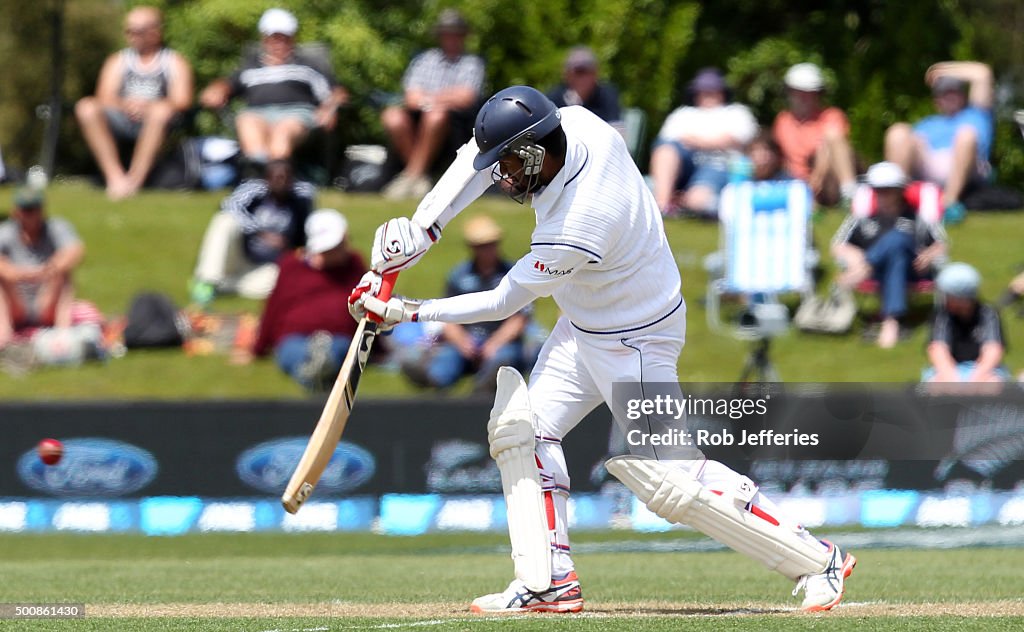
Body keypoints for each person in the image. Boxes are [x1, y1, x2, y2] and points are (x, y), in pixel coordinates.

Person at [349, 86, 855, 613]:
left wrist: (409, 311)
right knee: (522, 430)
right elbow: (472, 162)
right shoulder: (570, 124)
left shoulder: (582, 220)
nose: (501, 179)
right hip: (586, 324)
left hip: (636, 338)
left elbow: (504, 300)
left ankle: (820, 560)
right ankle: (549, 582)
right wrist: (423, 226)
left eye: (509, 167)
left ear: (536, 155)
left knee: (676, 482)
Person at [399, 215, 535, 392]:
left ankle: (478, 397)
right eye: (483, 246)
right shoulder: (458, 276)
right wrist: (462, 342)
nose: (489, 250)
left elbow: (521, 318)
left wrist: (494, 343)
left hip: (502, 341)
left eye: (492, 244)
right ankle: (435, 389)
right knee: (446, 359)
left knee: (501, 361)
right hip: (466, 338)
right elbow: (446, 314)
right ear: (473, 248)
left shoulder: (512, 273)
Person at [199, 8, 348, 169]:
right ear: (264, 39)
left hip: (296, 114)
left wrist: (329, 109)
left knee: (282, 131)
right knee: (246, 120)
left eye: (285, 38)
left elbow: (337, 93)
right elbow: (227, 84)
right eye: (274, 38)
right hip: (257, 113)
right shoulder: (250, 67)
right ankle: (260, 173)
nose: (279, 43)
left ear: (293, 39)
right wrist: (216, 91)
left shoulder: (308, 65)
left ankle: (276, 177)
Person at [235, 209, 366, 391]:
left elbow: (369, 308)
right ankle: (314, 372)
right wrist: (258, 348)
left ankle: (319, 368)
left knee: (338, 349)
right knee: (293, 353)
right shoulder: (291, 265)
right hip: (294, 337)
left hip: (337, 336)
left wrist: (379, 349)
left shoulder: (355, 265)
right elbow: (274, 308)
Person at [74, 5, 194, 200]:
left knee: (161, 111)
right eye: (128, 31)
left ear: (155, 32)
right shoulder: (118, 60)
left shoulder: (173, 61)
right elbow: (103, 95)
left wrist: (149, 107)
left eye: (137, 31)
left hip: (160, 122)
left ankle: (134, 181)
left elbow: (183, 100)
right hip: (123, 118)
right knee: (86, 107)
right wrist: (126, 105)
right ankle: (115, 178)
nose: (131, 36)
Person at [832, 162, 948, 348]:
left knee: (898, 239)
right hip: (881, 271)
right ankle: (891, 321)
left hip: (914, 269)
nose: (881, 194)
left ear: (899, 190)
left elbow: (941, 245)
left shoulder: (916, 217)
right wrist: (855, 257)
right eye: (877, 190)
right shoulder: (863, 219)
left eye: (887, 190)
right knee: (896, 253)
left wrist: (929, 255)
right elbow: (839, 246)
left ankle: (868, 269)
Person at [380, 9, 486, 200]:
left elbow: (466, 97)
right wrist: (441, 98)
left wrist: (430, 99)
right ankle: (417, 176)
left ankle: (411, 176)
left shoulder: (472, 63)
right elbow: (411, 97)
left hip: (455, 124)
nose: (451, 38)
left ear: (462, 36)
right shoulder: (424, 59)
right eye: (447, 33)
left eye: (455, 33)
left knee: (436, 115)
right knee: (392, 116)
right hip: (418, 117)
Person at [190, 160, 314, 303]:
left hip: (268, 265)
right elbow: (228, 205)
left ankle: (223, 286)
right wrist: (260, 232)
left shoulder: (300, 201)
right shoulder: (255, 192)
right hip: (239, 255)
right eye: (277, 178)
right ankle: (207, 280)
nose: (281, 183)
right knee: (225, 221)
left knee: (284, 283)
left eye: (286, 178)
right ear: (267, 179)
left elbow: (305, 236)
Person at [884, 61, 994, 219]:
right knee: (898, 131)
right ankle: (896, 202)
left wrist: (939, 70)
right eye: (945, 93)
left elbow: (982, 73)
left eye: (955, 92)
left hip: (969, 166)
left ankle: (948, 204)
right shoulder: (927, 124)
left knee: (966, 135)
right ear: (936, 100)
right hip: (929, 165)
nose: (950, 97)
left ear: (963, 95)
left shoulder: (976, 115)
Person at [648, 68, 758, 218]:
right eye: (703, 91)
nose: (707, 94)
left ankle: (695, 203)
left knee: (698, 201)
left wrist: (695, 141)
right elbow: (666, 142)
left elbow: (733, 139)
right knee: (665, 152)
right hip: (684, 165)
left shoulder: (736, 112)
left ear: (722, 92)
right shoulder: (683, 113)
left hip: (720, 165)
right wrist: (709, 142)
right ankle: (662, 206)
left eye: (712, 90)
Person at [0, 188, 86, 348]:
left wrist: (49, 269)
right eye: (26, 210)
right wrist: (17, 273)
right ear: (16, 212)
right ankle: (4, 334)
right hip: (16, 301)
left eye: (34, 210)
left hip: (46, 299)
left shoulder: (56, 227)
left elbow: (76, 251)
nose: (30, 216)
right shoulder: (6, 232)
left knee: (63, 274)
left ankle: (63, 334)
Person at [772, 63, 857, 206]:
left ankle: (849, 195)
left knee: (832, 138)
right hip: (793, 182)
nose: (804, 98)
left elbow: (829, 150)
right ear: (789, 93)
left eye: (810, 93)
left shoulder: (831, 116)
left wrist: (814, 181)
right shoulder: (782, 120)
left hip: (828, 179)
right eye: (798, 92)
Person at [924, 262, 1008, 383]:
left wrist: (976, 378)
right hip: (949, 369)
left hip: (982, 370)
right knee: (936, 384)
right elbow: (938, 349)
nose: (944, 299)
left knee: (993, 383)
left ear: (961, 298)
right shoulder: (942, 315)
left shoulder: (988, 314)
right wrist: (953, 380)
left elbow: (993, 349)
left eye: (948, 295)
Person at [546, 46, 623, 136]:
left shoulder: (607, 95)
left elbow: (617, 131)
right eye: (578, 72)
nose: (583, 78)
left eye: (587, 71)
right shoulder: (554, 98)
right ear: (567, 74)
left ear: (596, 73)